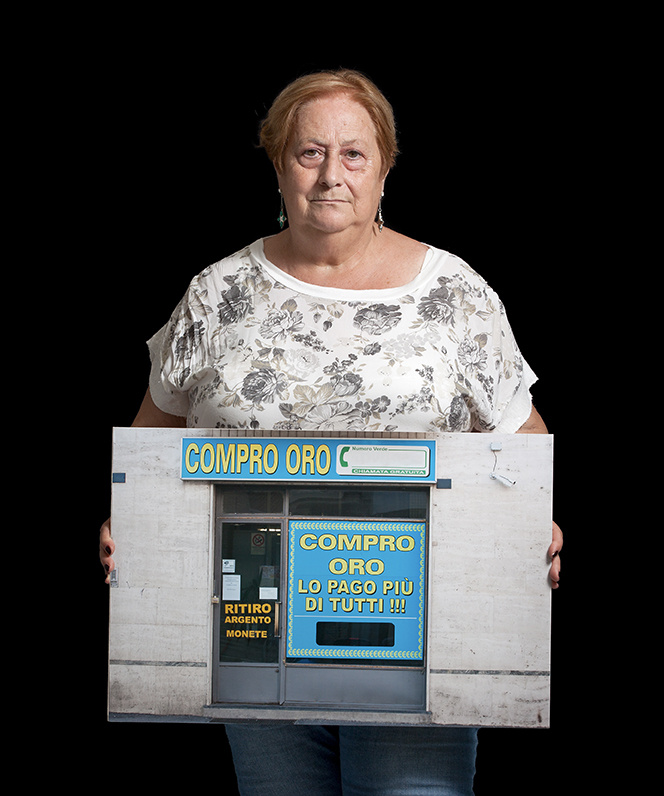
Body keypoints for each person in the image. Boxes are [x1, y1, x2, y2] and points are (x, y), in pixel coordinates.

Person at [100, 68, 562, 796]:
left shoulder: (454, 294)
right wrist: (125, 518)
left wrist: (539, 523)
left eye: (353, 154)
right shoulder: (217, 293)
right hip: (253, 626)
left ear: (385, 167)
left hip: (416, 626)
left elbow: (522, 436)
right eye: (309, 153)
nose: (330, 176)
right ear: (278, 164)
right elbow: (152, 439)